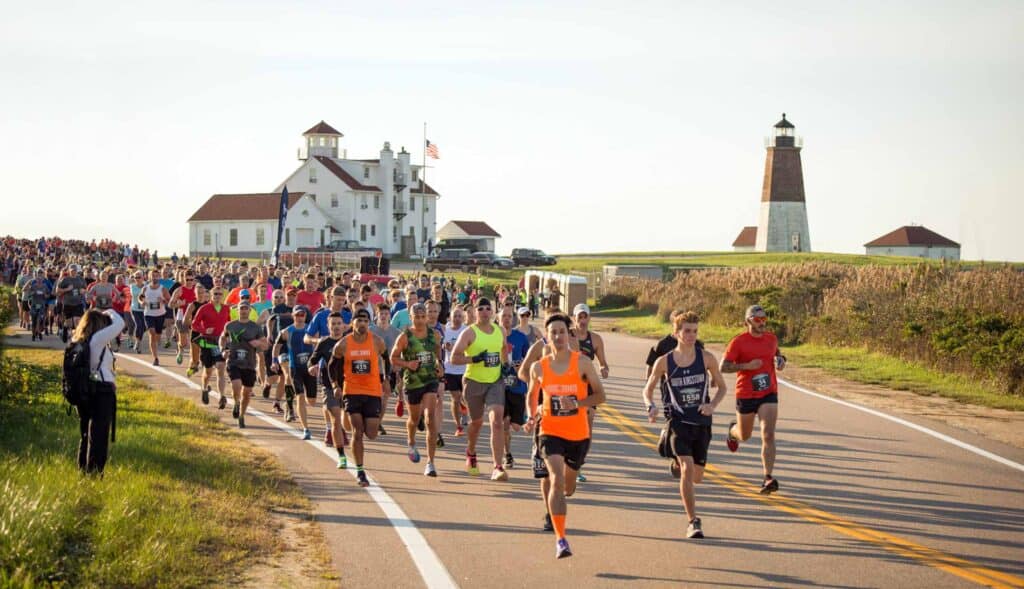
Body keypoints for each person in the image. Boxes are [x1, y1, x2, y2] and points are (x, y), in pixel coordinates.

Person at [524, 313, 606, 559]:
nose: (558, 336)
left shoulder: (582, 363)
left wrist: (578, 403)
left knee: (568, 488)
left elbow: (600, 396)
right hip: (550, 431)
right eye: (553, 332)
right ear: (546, 338)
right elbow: (531, 395)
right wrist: (531, 416)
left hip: (578, 435)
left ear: (569, 335)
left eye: (562, 331)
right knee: (556, 479)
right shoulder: (539, 367)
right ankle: (561, 539)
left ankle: (562, 504)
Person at [641, 311, 728, 538]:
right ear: (676, 332)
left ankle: (675, 464)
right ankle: (693, 521)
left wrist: (712, 406)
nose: (691, 335)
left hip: (701, 422)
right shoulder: (665, 361)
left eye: (695, 331)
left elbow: (722, 387)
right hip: (678, 422)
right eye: (687, 331)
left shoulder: (706, 358)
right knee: (688, 469)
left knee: (696, 477)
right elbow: (647, 389)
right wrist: (650, 406)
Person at [720, 304, 787, 494]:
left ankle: (768, 477)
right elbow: (723, 367)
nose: (762, 323)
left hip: (768, 393)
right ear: (748, 321)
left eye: (764, 319)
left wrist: (781, 361)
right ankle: (733, 432)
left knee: (768, 434)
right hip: (746, 393)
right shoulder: (738, 342)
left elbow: (778, 355)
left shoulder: (771, 339)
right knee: (745, 435)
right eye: (758, 320)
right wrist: (747, 366)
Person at [329, 309, 391, 487]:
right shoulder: (343, 344)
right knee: (357, 431)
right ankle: (360, 471)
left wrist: (386, 379)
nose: (362, 323)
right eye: (359, 320)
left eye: (365, 320)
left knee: (371, 433)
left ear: (368, 323)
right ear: (352, 323)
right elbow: (332, 365)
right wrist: (335, 385)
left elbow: (386, 360)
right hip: (352, 391)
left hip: (372, 391)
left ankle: (368, 424)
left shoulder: (376, 341)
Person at [451, 297, 510, 481]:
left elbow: (503, 352)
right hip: (473, 382)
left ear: (492, 311)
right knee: (476, 423)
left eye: (487, 308)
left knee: (497, 421)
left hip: (495, 382)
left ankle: (497, 466)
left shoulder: (500, 330)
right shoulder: (469, 333)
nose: (484, 311)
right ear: (475, 312)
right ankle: (471, 451)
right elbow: (454, 358)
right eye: (481, 308)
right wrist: (474, 359)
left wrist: (506, 367)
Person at [390, 303, 444, 477]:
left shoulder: (434, 335)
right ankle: (411, 442)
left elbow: (437, 354)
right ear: (411, 317)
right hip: (412, 382)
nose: (420, 320)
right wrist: (407, 364)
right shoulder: (405, 337)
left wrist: (439, 366)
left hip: (430, 380)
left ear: (427, 317)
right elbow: (393, 358)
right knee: (414, 419)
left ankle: (431, 462)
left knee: (429, 418)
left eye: (423, 317)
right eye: (417, 317)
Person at [71, 308, 125, 474]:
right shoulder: (97, 339)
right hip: (101, 390)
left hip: (83, 390)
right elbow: (120, 323)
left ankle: (83, 468)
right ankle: (94, 472)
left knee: (86, 433)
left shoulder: (78, 340)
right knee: (99, 435)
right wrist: (109, 311)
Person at [570, 303, 609, 484]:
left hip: (588, 386)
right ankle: (568, 461)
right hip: (569, 385)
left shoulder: (596, 339)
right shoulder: (568, 335)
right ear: (574, 318)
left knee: (587, 424)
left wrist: (603, 368)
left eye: (585, 317)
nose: (583, 321)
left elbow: (602, 361)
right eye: (580, 317)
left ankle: (578, 464)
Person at [307, 311, 348, 468]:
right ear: (328, 326)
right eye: (333, 324)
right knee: (336, 418)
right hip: (329, 385)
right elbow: (312, 361)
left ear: (344, 326)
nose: (336, 327)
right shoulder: (323, 343)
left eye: (339, 324)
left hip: (350, 386)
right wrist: (312, 367)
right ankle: (341, 455)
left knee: (349, 421)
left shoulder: (349, 342)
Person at [220, 300, 269, 428]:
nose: (243, 311)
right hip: (234, 360)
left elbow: (266, 344)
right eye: (241, 308)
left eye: (246, 308)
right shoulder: (230, 325)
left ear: (249, 310)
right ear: (237, 310)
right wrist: (223, 349)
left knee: (246, 393)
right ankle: (236, 403)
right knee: (236, 385)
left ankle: (241, 415)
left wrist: (258, 343)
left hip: (249, 363)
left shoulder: (255, 327)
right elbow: (223, 337)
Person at [273, 305, 316, 438]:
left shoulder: (311, 329)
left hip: (309, 369)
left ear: (305, 316)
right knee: (300, 397)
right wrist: (274, 361)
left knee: (312, 401)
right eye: (297, 315)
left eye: (302, 314)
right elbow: (277, 346)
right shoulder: (286, 331)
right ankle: (306, 429)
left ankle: (289, 402)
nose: (299, 317)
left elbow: (318, 345)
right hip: (295, 368)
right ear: (293, 316)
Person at [191, 288, 231, 408]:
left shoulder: (226, 308)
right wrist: (204, 330)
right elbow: (194, 324)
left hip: (221, 342)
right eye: (215, 294)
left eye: (220, 294)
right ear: (210, 296)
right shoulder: (204, 308)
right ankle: (204, 388)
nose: (218, 296)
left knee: (220, 368)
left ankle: (222, 396)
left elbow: (229, 323)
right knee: (208, 371)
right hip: (207, 341)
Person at [501, 304, 530, 469]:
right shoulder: (494, 336)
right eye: (503, 316)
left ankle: (507, 445)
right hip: (499, 386)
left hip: (517, 386)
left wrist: (521, 366)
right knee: (504, 423)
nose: (506, 319)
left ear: (513, 319)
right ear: (499, 319)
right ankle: (507, 454)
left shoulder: (520, 337)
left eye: (509, 316)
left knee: (516, 426)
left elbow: (529, 358)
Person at [442, 305, 469, 437]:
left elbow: (470, 347)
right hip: (450, 369)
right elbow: (442, 346)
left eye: (460, 316)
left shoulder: (466, 330)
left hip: (464, 369)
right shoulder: (445, 330)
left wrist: (455, 348)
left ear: (463, 317)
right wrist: (446, 346)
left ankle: (464, 409)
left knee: (465, 396)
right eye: (455, 316)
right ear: (450, 317)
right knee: (455, 397)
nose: (457, 319)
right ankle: (458, 425)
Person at [56, 263, 88, 342]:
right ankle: (65, 330)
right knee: (69, 323)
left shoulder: (81, 279)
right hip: (68, 303)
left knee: (77, 321)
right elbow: (57, 291)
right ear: (69, 271)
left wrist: (83, 291)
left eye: (75, 270)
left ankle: (76, 338)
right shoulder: (65, 279)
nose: (73, 272)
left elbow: (85, 289)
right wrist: (67, 289)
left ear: (77, 271)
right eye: (72, 271)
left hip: (78, 303)